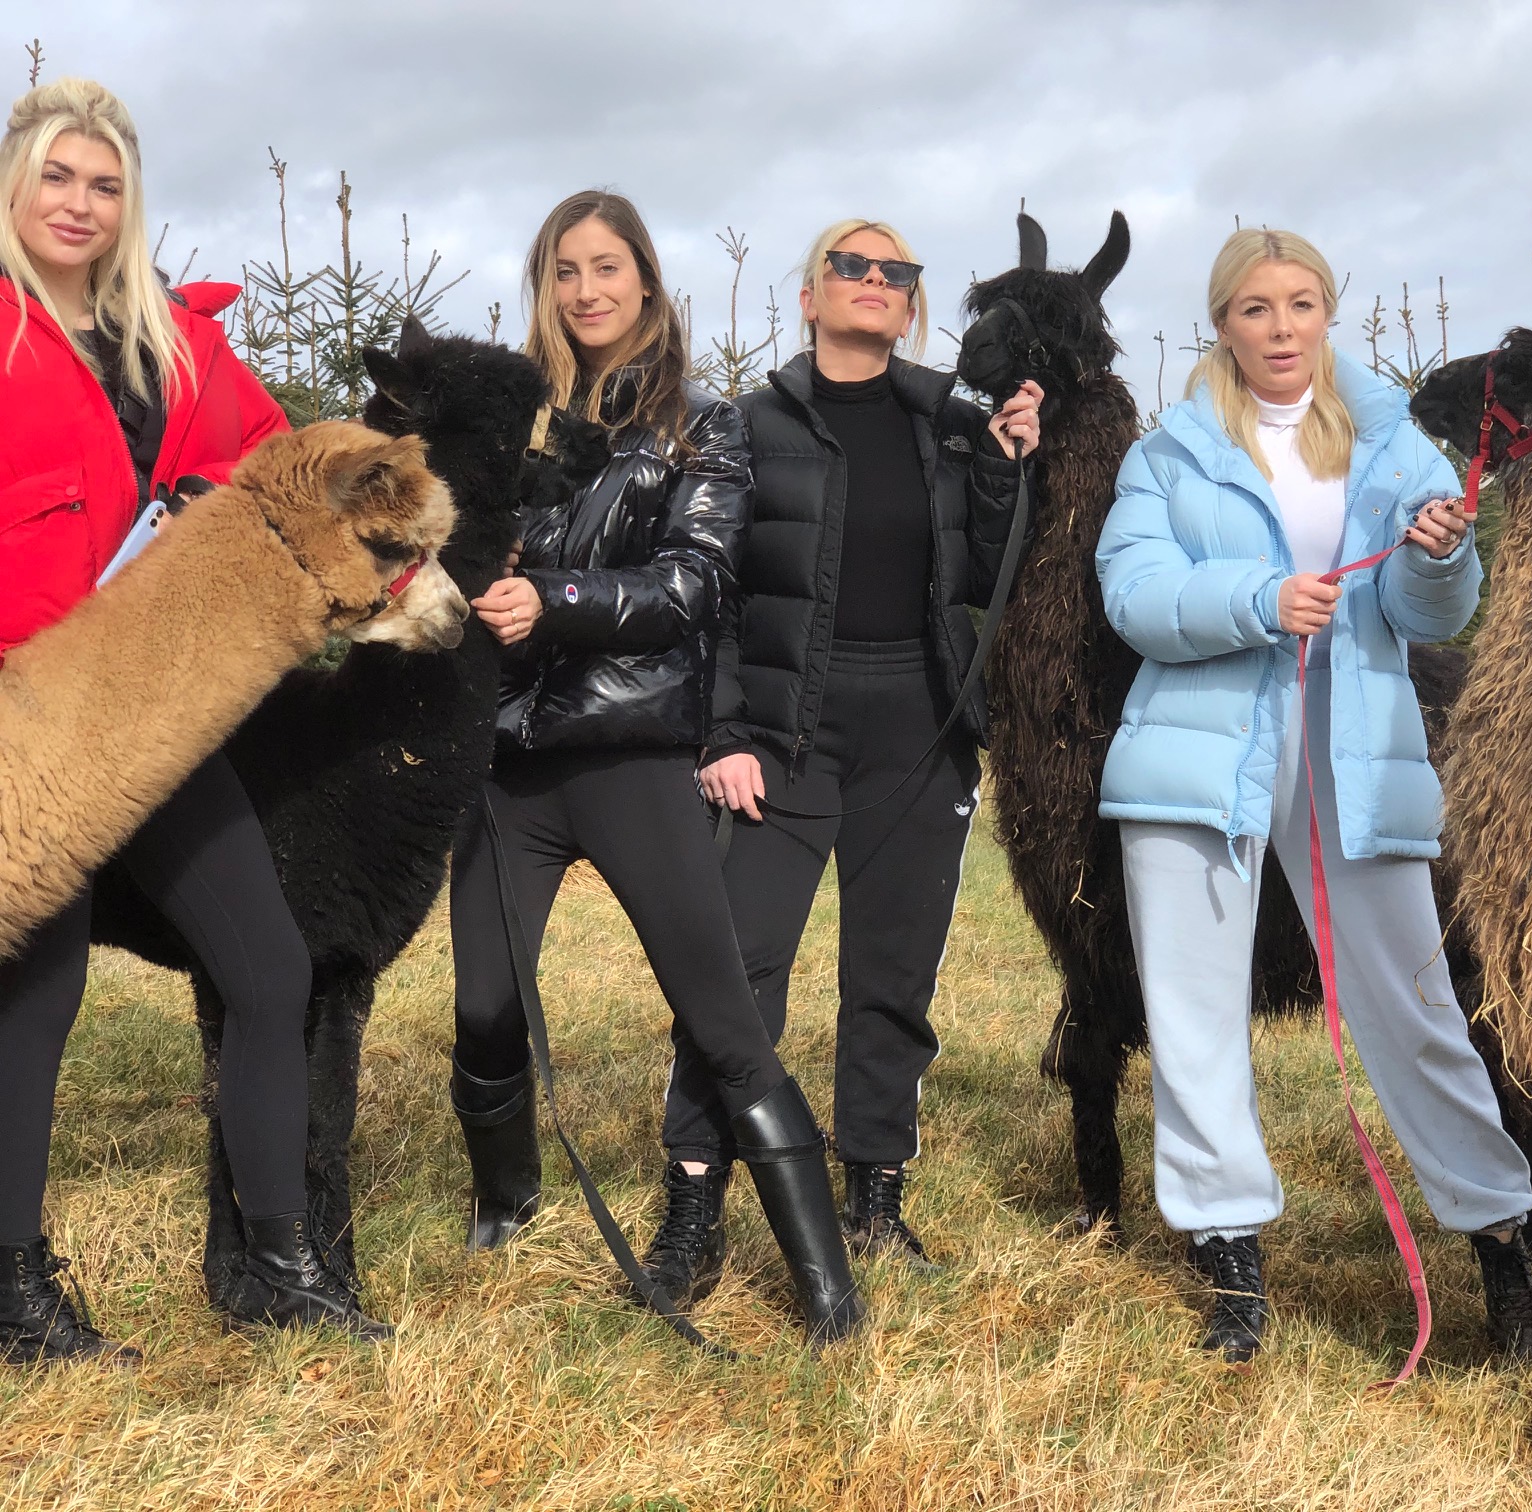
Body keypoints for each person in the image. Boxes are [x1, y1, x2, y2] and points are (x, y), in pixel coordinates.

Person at [1094, 227, 1532, 1364]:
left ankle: (1502, 1258)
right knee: (1194, 1011)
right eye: (1256, 309)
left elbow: (1429, 615)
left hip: (1354, 749)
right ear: (1223, 323)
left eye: (1302, 304)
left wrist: (1440, 556)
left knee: (1417, 1006)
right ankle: (1231, 1270)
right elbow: (1134, 594)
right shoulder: (1168, 457)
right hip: (1200, 755)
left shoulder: (1393, 445)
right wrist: (1258, 599)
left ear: (1326, 315)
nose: (1281, 329)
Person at [0, 78, 388, 1366]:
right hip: (27, 721)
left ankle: (278, 1265)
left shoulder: (168, 340)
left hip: (155, 710)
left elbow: (281, 450)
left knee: (268, 969)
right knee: (33, 999)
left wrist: (205, 499)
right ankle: (13, 1290)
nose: (81, 204)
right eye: (59, 176)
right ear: (18, 185)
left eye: (105, 185)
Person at [447, 190, 860, 1344]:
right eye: (564, 271)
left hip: (632, 750)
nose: (586, 291)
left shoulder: (700, 426)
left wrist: (557, 599)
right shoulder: (512, 423)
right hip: (511, 762)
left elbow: (697, 585)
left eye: (606, 267)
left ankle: (826, 1285)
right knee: (484, 1008)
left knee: (724, 1020)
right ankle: (508, 1196)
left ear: (645, 279)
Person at [649, 218, 1038, 1285]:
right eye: (850, 267)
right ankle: (694, 1199)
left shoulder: (954, 429)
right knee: (741, 971)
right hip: (785, 733)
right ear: (811, 297)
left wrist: (1007, 469)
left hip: (918, 727)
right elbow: (713, 590)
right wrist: (726, 732)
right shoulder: (750, 424)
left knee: (893, 974)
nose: (873, 281)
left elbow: (993, 573)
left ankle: (875, 1197)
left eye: (895, 273)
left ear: (911, 306)